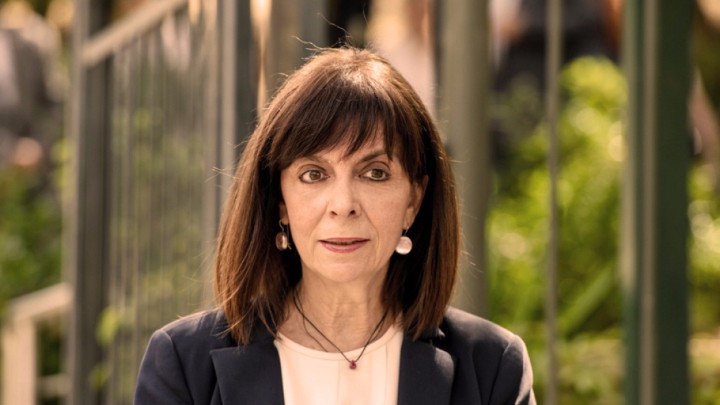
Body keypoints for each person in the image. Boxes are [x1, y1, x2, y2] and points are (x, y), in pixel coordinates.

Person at [134, 47, 536, 405]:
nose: (343, 206)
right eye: (314, 174)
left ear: (413, 201)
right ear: (280, 202)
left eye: (375, 173)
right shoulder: (183, 364)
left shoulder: (492, 367)